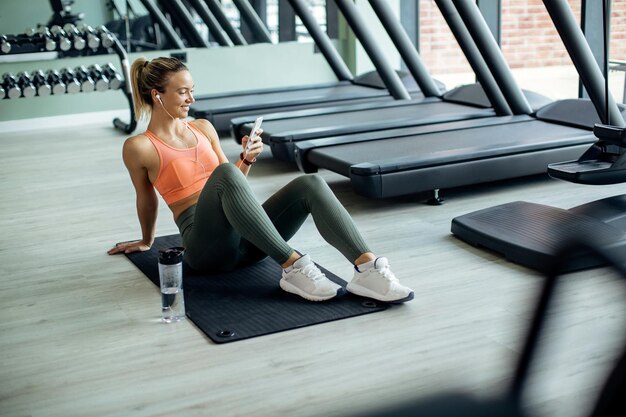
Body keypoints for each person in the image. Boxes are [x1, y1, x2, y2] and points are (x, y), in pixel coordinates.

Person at [108, 56, 413, 303]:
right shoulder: (140, 146)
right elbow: (145, 197)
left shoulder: (203, 128)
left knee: (311, 183)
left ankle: (367, 268)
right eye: (182, 91)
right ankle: (293, 266)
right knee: (224, 172)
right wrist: (147, 240)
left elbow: (233, 186)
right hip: (207, 250)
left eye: (191, 89)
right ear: (157, 95)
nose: (191, 97)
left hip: (248, 240)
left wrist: (247, 159)